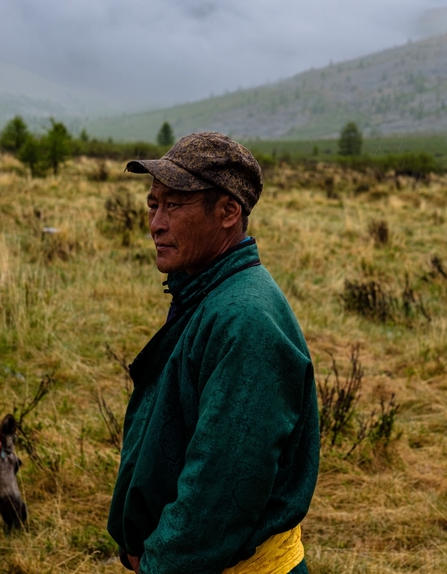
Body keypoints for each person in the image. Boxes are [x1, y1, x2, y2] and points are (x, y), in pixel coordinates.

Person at [108, 132, 320, 574]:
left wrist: (160, 563)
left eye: (174, 205)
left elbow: (221, 490)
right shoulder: (205, 294)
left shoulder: (245, 320)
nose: (155, 223)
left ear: (228, 212)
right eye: (153, 204)